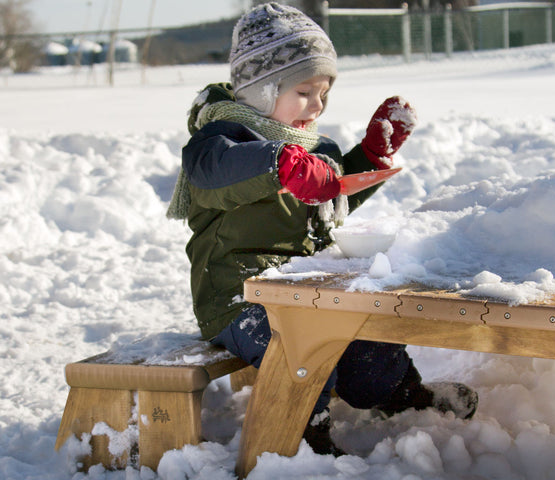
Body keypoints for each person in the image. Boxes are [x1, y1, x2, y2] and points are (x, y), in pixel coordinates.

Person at [167, 2, 477, 456]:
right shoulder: (217, 142)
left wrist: (368, 156)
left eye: (324, 94)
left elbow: (332, 193)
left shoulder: (310, 147)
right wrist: (279, 163)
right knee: (302, 341)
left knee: (365, 330)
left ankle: (401, 394)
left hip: (301, 284)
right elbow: (218, 174)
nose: (317, 106)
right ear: (261, 88)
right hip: (237, 297)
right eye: (304, 91)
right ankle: (301, 436)